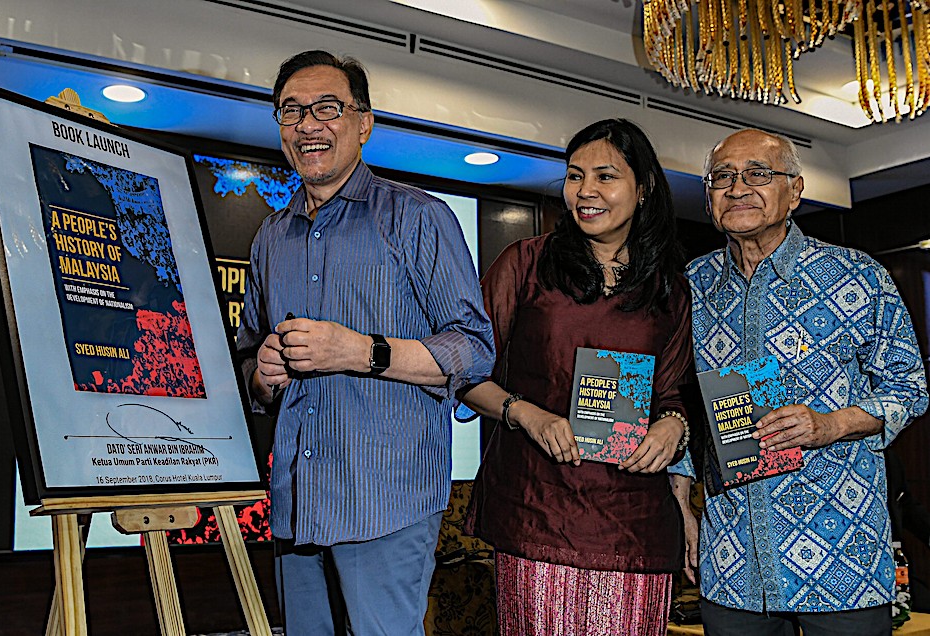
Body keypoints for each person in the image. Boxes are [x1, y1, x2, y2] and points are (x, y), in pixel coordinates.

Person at [236, 50, 495, 636]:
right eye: (291, 111)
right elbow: (249, 353)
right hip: (298, 503)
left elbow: (474, 348)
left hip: (385, 502)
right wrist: (263, 373)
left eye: (327, 108)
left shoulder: (418, 218)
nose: (308, 124)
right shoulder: (270, 237)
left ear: (364, 123)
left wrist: (360, 351)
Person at [678, 128, 928, 635]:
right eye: (722, 177)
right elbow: (677, 402)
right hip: (733, 561)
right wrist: (681, 506)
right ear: (708, 198)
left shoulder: (858, 275)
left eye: (758, 174)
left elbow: (909, 388)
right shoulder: (688, 287)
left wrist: (831, 425)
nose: (738, 187)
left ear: (794, 191)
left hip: (843, 561)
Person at [461, 118, 696, 635]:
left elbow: (676, 394)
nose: (585, 191)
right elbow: (465, 372)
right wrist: (527, 414)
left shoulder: (670, 289)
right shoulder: (525, 264)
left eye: (605, 176)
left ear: (644, 188)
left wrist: (672, 426)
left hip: (634, 524)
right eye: (574, 176)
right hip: (538, 512)